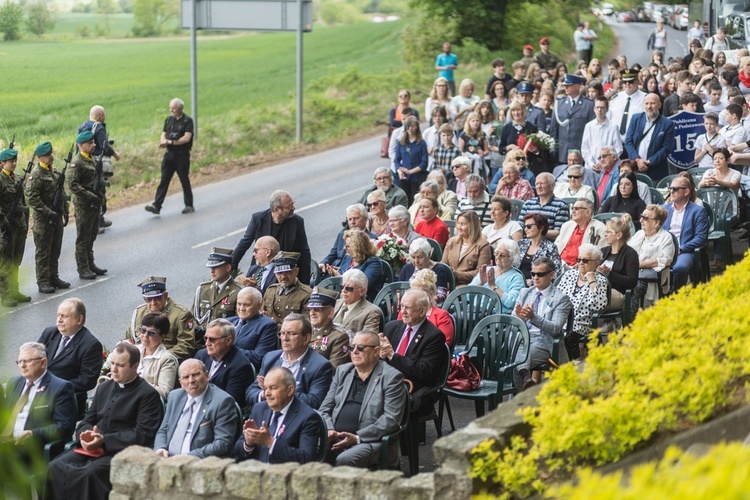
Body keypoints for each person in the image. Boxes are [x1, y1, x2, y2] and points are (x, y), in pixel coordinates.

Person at [45, 343, 164, 500]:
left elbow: (143, 435)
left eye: (120, 365)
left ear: (135, 367)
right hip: (90, 447)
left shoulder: (148, 395)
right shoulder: (104, 387)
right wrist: (85, 435)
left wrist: (104, 441)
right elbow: (88, 420)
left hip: (120, 451)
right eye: (112, 363)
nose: (113, 369)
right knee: (54, 467)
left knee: (89, 475)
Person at [319, 331, 407, 468]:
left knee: (345, 459)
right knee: (305, 445)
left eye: (360, 348)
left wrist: (357, 438)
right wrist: (329, 429)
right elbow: (325, 408)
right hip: (335, 436)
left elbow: (391, 420)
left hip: (369, 441)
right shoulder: (343, 371)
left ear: (376, 351)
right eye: (351, 347)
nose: (354, 352)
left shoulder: (391, 377)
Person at [379, 289, 447, 413]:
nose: (402, 311)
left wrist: (392, 356)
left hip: (410, 386)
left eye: (408, 308)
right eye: (402, 306)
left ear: (422, 311)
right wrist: (379, 355)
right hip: (383, 381)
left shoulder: (434, 336)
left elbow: (425, 372)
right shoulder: (391, 327)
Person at [246, 314, 333, 410]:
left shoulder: (320, 366)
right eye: (282, 333)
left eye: (291, 333)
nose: (285, 338)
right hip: (266, 415)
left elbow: (314, 402)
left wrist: (281, 391)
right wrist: (264, 394)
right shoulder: (270, 357)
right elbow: (250, 393)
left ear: (306, 338)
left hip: (296, 420)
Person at [154, 359, 237, 458]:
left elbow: (223, 444)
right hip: (167, 460)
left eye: (195, 375)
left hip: (198, 464)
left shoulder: (222, 401)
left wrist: (187, 457)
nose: (191, 380)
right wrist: (160, 448)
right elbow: (163, 429)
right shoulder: (174, 396)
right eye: (185, 377)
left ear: (207, 376)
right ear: (180, 382)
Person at [235, 366, 320, 464]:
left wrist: (270, 442)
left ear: (290, 390)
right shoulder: (258, 409)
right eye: (265, 388)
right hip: (256, 474)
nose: (267, 393)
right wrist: (249, 443)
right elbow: (238, 451)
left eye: (273, 388)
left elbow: (306, 459)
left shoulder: (308, 417)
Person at [4, 342, 76, 454]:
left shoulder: (60, 387)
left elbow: (64, 427)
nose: (22, 365)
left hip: (33, 447)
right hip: (6, 442)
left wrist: (33, 434)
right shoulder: (14, 382)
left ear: (43, 362)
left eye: (27, 361)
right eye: (19, 361)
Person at [513, 257, 573, 390]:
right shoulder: (525, 292)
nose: (535, 278)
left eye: (540, 274)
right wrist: (519, 318)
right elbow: (514, 320)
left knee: (515, 358)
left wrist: (533, 317)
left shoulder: (561, 298)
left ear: (551, 275)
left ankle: (521, 396)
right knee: (509, 348)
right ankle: (526, 379)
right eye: (533, 274)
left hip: (543, 341)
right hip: (522, 338)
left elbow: (556, 328)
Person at [231, 190, 312, 285]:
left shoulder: (297, 222)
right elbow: (243, 244)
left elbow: (304, 252)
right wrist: (231, 269)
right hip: (262, 271)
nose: (293, 208)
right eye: (289, 206)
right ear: (276, 209)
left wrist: (305, 284)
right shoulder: (258, 219)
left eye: (292, 204)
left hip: (285, 275)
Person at [38, 298, 103, 412]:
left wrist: (55, 387)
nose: (59, 320)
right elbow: (35, 357)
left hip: (64, 399)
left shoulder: (90, 345)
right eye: (58, 315)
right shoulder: (50, 333)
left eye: (64, 316)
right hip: (38, 390)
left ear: (79, 319)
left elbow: (87, 380)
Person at [25, 141, 70, 294]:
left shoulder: (55, 172)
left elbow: (61, 194)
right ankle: (43, 281)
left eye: (51, 153)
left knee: (55, 249)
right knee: (43, 252)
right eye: (47, 155)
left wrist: (65, 210)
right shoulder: (36, 175)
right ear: (39, 157)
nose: (51, 157)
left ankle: (53, 277)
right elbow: (32, 198)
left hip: (56, 218)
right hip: (43, 221)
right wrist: (47, 212)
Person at [556, 244, 609, 358]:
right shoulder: (569, 275)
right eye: (578, 259)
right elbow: (556, 296)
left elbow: (599, 306)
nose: (580, 263)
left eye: (585, 260)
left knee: (568, 337)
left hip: (582, 324)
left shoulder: (600, 280)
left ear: (596, 263)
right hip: (561, 319)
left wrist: (592, 282)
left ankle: (572, 364)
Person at [67, 132, 106, 281]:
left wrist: (103, 200)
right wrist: (90, 196)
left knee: (92, 235)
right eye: (90, 143)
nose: (94, 145)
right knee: (83, 238)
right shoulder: (77, 163)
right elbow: (72, 185)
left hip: (95, 204)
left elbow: (99, 183)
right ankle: (83, 268)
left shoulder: (94, 160)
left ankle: (91, 264)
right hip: (84, 205)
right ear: (81, 145)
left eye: (93, 142)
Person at [125, 276, 195, 360]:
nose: (153, 303)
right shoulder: (138, 312)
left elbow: (185, 345)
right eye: (149, 299)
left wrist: (159, 358)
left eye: (158, 298)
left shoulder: (181, 315)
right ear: (144, 298)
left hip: (165, 361)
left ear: (165, 295)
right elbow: (129, 339)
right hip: (138, 359)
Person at [145, 98, 194, 214]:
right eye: (170, 107)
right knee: (164, 180)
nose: (171, 110)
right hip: (169, 155)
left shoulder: (187, 121)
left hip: (182, 155)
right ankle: (157, 205)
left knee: (184, 180)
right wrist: (164, 141)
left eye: (174, 108)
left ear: (180, 109)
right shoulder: (168, 120)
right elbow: (163, 134)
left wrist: (170, 142)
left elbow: (187, 138)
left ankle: (189, 205)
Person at [664, 176, 709, 290]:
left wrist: (681, 248)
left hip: (684, 250)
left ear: (686, 191)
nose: (671, 191)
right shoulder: (663, 209)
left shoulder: (698, 211)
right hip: (663, 249)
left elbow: (700, 238)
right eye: (670, 188)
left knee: (680, 267)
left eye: (675, 189)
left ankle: (676, 297)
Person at [194, 319, 254, 404]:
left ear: (228, 340)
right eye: (205, 338)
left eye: (212, 339)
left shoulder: (241, 366)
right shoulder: (201, 355)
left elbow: (229, 401)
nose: (207, 343)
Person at [81, 105, 119, 232]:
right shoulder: (99, 127)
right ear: (100, 115)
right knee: (99, 193)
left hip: (83, 163)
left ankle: (100, 220)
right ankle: (96, 223)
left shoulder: (83, 126)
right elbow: (105, 147)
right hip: (96, 164)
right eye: (104, 115)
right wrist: (115, 154)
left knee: (91, 191)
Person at [629, 204, 675, 308]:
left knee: (632, 288)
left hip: (652, 277)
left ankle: (631, 321)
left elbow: (664, 260)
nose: (641, 220)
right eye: (641, 216)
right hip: (633, 273)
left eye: (645, 218)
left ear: (657, 223)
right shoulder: (639, 234)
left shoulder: (665, 237)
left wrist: (639, 265)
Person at [192, 247, 242, 338]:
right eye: (211, 267)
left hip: (221, 342)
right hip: (200, 340)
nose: (212, 271)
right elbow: (193, 317)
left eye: (216, 267)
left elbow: (239, 324)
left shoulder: (238, 292)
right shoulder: (203, 289)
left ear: (228, 268)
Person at [625, 93, 675, 181]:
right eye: (646, 103)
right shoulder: (635, 119)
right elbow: (628, 142)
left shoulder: (667, 124)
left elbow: (666, 148)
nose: (649, 106)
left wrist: (649, 162)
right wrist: (637, 160)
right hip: (635, 169)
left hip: (656, 172)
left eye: (652, 103)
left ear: (659, 105)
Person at [128, 312, 178, 401]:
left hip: (146, 403)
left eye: (151, 333)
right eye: (143, 330)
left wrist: (137, 381)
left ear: (162, 336)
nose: (145, 336)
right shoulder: (134, 350)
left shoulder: (166, 359)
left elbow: (164, 392)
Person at [318, 205, 375, 282]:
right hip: (335, 270)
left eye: (356, 218)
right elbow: (332, 255)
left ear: (365, 219)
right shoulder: (342, 235)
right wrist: (323, 263)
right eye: (350, 219)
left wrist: (340, 274)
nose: (352, 222)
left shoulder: (372, 239)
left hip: (352, 278)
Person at [598, 214, 640, 315]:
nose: (605, 235)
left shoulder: (631, 254)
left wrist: (609, 274)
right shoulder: (603, 251)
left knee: (589, 295)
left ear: (619, 235)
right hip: (599, 289)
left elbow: (632, 281)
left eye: (608, 232)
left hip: (618, 293)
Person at [550, 74, 596, 165]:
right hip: (562, 152)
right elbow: (554, 128)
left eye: (569, 85)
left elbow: (592, 131)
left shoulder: (588, 104)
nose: (566, 87)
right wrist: (553, 149)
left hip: (580, 152)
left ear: (578, 86)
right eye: (565, 85)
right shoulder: (559, 103)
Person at [470, 240, 525, 314]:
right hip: (473, 312)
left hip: (495, 317)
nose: (498, 257)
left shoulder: (516, 277)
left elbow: (512, 302)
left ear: (512, 258)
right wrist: (481, 283)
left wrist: (494, 287)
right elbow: (467, 295)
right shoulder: (486, 270)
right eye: (496, 253)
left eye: (502, 255)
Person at [229, 287, 278, 371]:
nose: (241, 308)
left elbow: (259, 358)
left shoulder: (267, 325)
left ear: (259, 305)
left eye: (246, 305)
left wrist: (227, 349)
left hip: (244, 371)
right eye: (239, 304)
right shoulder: (228, 322)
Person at [327, 230, 383, 302]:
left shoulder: (373, 263)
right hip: (343, 296)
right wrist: (333, 273)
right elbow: (341, 272)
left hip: (364, 300)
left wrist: (338, 276)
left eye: (347, 246)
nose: (344, 248)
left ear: (358, 247)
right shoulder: (348, 258)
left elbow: (361, 286)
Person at [441, 210, 492, 286]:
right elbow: (443, 264)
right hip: (448, 282)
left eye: (463, 224)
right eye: (458, 223)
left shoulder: (483, 245)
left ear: (472, 226)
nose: (459, 227)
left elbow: (480, 272)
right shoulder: (451, 242)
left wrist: (457, 275)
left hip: (468, 284)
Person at [262, 251, 312, 327]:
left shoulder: (306, 294)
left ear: (296, 271)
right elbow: (262, 315)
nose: (283, 277)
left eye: (288, 272)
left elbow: (305, 326)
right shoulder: (270, 290)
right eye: (279, 273)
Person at [517, 172, 570, 240]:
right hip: (527, 242)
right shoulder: (528, 203)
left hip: (548, 244)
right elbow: (519, 226)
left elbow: (559, 232)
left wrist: (537, 232)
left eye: (542, 183)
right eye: (537, 184)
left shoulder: (561, 205)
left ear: (552, 186)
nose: (539, 187)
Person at [556, 199, 606, 269]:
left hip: (581, 268)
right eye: (572, 208)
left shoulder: (599, 228)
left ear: (588, 212)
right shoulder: (566, 225)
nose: (573, 211)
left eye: (576, 208)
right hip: (559, 266)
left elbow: (600, 254)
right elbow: (556, 247)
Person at [307, 288, 351, 369]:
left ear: (330, 313)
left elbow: (333, 369)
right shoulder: (304, 331)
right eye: (310, 309)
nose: (312, 313)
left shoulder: (338, 337)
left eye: (317, 309)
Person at [398, 238, 450, 303]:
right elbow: (398, 290)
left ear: (428, 255)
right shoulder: (407, 268)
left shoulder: (439, 269)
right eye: (413, 257)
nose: (416, 261)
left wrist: (425, 300)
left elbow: (441, 294)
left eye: (420, 257)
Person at [333, 269, 383, 333]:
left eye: (349, 288)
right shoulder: (335, 303)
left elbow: (367, 339)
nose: (343, 291)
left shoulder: (371, 311)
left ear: (362, 291)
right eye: (342, 287)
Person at [517, 213, 563, 281]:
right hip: (516, 281)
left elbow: (556, 273)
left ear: (541, 228)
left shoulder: (551, 248)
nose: (526, 229)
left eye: (529, 226)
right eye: (525, 226)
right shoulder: (521, 243)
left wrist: (531, 282)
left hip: (536, 285)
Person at [394, 115, 428, 205]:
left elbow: (424, 163)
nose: (410, 129)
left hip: (416, 177)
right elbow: (396, 160)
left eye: (412, 126)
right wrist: (399, 171)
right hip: (404, 177)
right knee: (404, 200)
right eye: (408, 126)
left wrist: (411, 171)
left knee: (415, 200)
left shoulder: (421, 143)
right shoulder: (402, 142)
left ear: (417, 127)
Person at [581, 96, 623, 169]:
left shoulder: (613, 126)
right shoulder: (589, 126)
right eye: (597, 107)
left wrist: (605, 162)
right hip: (591, 167)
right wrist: (591, 163)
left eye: (602, 107)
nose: (599, 110)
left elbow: (618, 149)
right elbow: (585, 148)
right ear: (594, 109)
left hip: (608, 167)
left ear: (607, 109)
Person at [609, 69, 647, 143]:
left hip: (636, 143)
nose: (627, 84)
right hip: (616, 143)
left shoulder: (645, 99)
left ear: (637, 81)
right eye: (624, 82)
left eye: (630, 82)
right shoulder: (615, 99)